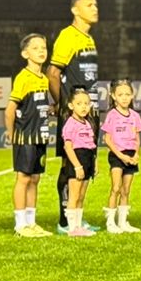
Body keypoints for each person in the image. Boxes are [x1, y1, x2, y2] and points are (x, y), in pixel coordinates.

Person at [47, 0, 100, 233]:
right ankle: (65, 220)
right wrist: (62, 104)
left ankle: (77, 217)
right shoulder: (68, 37)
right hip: (73, 114)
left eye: (96, 4)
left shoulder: (88, 39)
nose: (95, 8)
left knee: (86, 164)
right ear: (75, 10)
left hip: (88, 113)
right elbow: (53, 73)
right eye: (89, 5)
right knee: (70, 166)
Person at [5, 33, 54, 238]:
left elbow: (35, 105)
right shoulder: (23, 77)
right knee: (23, 178)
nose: (41, 51)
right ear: (25, 53)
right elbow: (10, 110)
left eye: (43, 47)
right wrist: (11, 134)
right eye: (35, 48)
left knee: (35, 179)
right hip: (25, 136)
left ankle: (31, 223)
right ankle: (20, 225)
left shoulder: (43, 79)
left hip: (40, 136)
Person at [101, 78, 141, 233]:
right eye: (120, 94)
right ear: (113, 96)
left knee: (126, 190)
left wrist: (136, 154)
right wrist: (120, 155)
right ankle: (110, 222)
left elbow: (137, 139)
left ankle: (123, 222)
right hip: (117, 155)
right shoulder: (112, 115)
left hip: (131, 155)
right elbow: (107, 138)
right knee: (116, 187)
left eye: (127, 94)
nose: (124, 97)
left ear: (132, 96)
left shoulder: (135, 116)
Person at [57, 87, 98, 237]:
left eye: (86, 103)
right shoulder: (70, 123)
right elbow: (68, 147)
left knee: (81, 196)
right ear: (71, 105)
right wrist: (77, 166)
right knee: (73, 196)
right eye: (79, 103)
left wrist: (94, 163)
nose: (84, 107)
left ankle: (79, 226)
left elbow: (91, 145)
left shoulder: (87, 123)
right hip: (77, 160)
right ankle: (72, 228)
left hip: (88, 159)